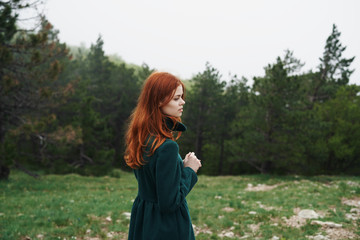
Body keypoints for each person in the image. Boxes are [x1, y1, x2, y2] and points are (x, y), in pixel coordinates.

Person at [124, 72, 202, 240]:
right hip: (166, 227)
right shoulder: (168, 147)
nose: (183, 102)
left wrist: (178, 168)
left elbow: (154, 181)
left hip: (144, 219)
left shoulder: (142, 138)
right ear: (158, 101)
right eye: (176, 98)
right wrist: (190, 170)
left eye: (182, 97)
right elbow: (170, 202)